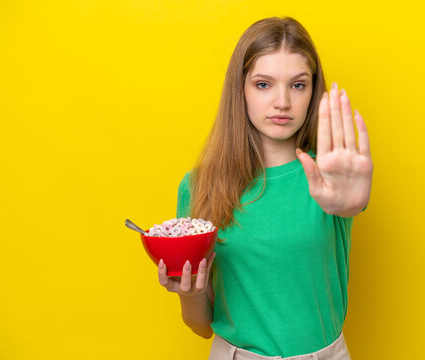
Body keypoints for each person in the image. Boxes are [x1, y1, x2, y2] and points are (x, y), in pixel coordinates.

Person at [157, 16, 373, 360]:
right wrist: (188, 293)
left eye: (298, 85)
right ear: (239, 89)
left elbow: (347, 202)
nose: (282, 102)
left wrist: (350, 204)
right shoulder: (199, 186)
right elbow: (201, 325)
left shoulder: (332, 178)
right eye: (263, 84)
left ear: (313, 91)